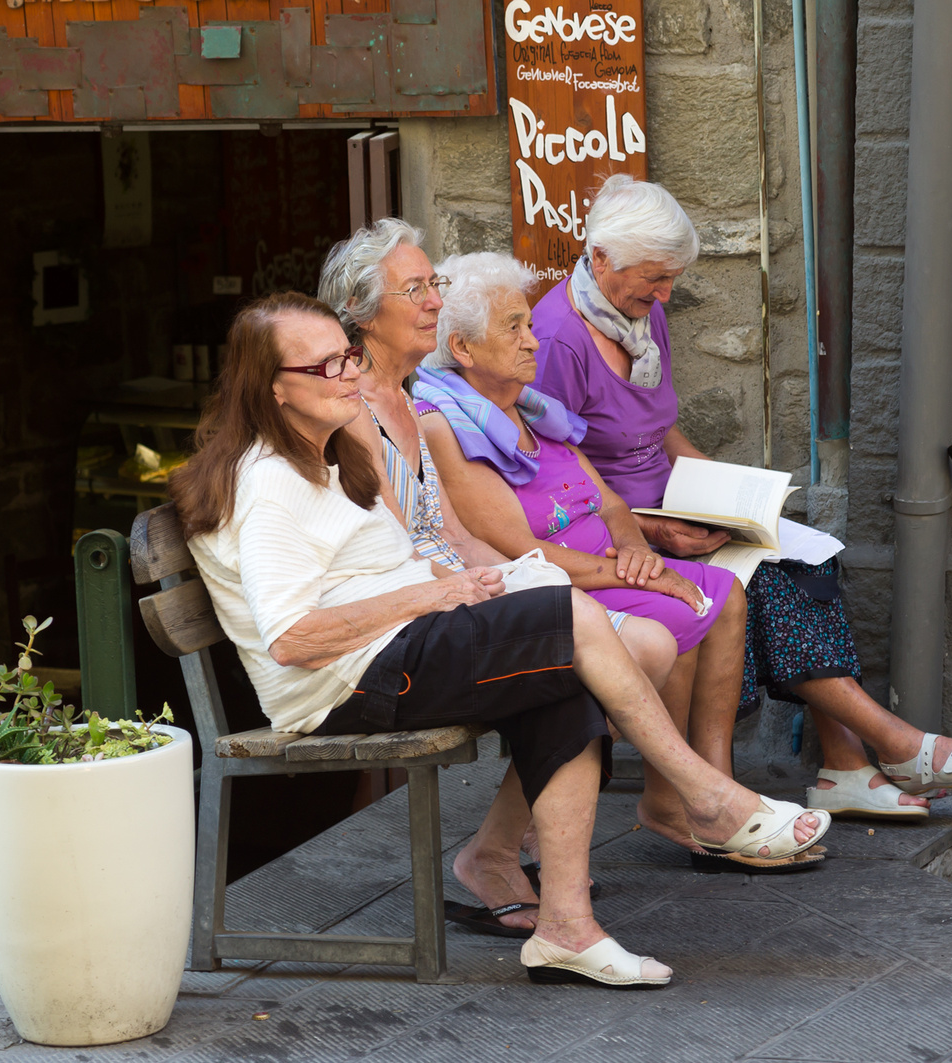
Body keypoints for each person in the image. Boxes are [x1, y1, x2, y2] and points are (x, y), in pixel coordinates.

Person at [169, 291, 828, 986]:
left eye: (348, 356)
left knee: (565, 675)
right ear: (273, 389)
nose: (349, 374)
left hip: (399, 650)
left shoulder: (329, 459)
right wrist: (437, 591)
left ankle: (566, 928)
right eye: (325, 366)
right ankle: (711, 796)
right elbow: (293, 638)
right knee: (567, 617)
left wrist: (477, 584)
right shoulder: (269, 482)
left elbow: (394, 569)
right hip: (346, 683)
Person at [533, 175, 952, 818]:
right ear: (601, 259)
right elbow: (556, 466)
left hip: (674, 504)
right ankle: (884, 748)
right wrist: (651, 528)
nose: (667, 294)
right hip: (610, 533)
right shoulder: (558, 338)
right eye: (656, 278)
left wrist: (725, 488)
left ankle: (845, 765)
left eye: (672, 278)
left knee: (806, 560)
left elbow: (656, 423)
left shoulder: (641, 314)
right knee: (766, 586)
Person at [317, 221, 683, 931]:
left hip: (449, 600)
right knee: (615, 646)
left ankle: (507, 856)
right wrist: (510, 589)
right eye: (416, 288)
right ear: (364, 313)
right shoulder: (355, 408)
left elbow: (452, 537)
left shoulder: (410, 398)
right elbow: (407, 553)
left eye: (433, 285)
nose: (433, 299)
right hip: (399, 632)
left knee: (633, 640)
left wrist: (530, 580)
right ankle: (686, 797)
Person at [414, 253, 792, 875]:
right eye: (514, 328)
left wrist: (640, 552)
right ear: (462, 346)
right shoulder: (446, 426)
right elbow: (516, 551)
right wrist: (635, 573)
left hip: (606, 563)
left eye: (528, 324)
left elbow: (611, 502)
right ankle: (684, 801)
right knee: (679, 609)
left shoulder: (532, 408)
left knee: (722, 592)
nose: (533, 339)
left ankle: (700, 788)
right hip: (557, 582)